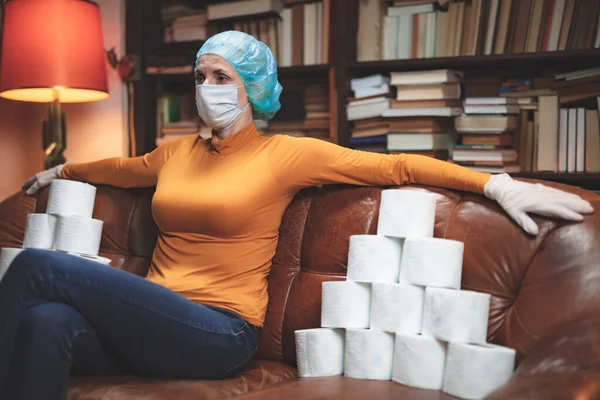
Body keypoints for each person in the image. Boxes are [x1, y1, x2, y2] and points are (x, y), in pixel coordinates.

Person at [1, 31, 593, 399]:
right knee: (46, 321)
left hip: (218, 332)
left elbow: (396, 167)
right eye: (201, 76)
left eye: (222, 77)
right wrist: (64, 171)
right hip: (153, 326)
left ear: (253, 89)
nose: (208, 88)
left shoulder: (286, 154)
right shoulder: (174, 153)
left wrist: (495, 181)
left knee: (38, 268)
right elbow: (122, 168)